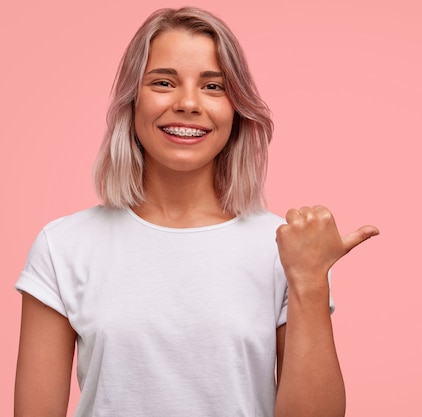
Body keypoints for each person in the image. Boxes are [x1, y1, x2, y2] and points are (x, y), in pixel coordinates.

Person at [14, 6, 378, 417]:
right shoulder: (63, 247)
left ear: (237, 109)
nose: (188, 103)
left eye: (213, 86)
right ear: (132, 100)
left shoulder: (284, 248)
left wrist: (310, 282)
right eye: (164, 82)